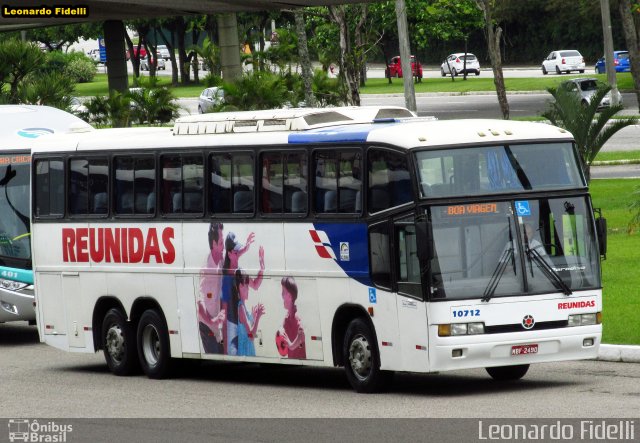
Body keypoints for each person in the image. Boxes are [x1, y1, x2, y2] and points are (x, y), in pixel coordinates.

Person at [221, 231, 264, 355]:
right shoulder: (227, 276)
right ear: (229, 254)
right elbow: (224, 310)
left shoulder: (239, 273)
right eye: (236, 252)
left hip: (239, 322)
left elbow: (255, 285)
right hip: (231, 323)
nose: (239, 254)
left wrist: (262, 267)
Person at [197, 223, 226, 354]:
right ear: (214, 244)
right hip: (207, 324)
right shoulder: (206, 268)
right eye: (221, 243)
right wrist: (213, 321)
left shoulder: (220, 259)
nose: (223, 247)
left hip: (216, 325)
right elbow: (200, 302)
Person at [235, 268, 265, 357]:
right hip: (245, 352)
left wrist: (253, 317)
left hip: (247, 350)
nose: (248, 289)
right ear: (240, 286)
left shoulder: (242, 307)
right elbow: (251, 336)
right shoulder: (241, 308)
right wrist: (258, 317)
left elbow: (246, 330)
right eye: (247, 286)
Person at [277, 277, 306, 359]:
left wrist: (291, 345)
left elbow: (302, 334)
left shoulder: (296, 316)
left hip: (300, 362)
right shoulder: (286, 318)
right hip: (293, 361)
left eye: (283, 292)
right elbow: (282, 329)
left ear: (289, 296)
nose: (281, 295)